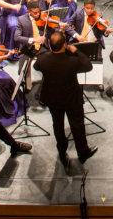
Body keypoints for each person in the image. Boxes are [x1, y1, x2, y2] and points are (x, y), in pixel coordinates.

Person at [34, 31, 98, 166]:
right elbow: (88, 65)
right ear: (64, 45)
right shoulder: (72, 62)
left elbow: (36, 65)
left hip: (52, 99)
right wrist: (76, 51)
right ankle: (83, 152)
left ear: (50, 46)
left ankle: (62, 153)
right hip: (71, 99)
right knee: (78, 126)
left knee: (58, 126)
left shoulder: (43, 60)